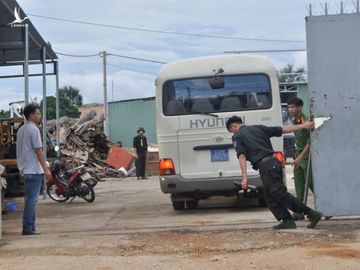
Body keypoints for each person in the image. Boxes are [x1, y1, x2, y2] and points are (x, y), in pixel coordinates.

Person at [226, 116, 322, 229]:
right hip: (273, 163)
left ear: (233, 127)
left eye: (231, 131)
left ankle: (311, 213)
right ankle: (287, 220)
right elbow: (283, 130)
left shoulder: (237, 136)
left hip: (266, 166)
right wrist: (303, 126)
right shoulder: (259, 128)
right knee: (269, 196)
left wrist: (244, 178)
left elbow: (241, 156)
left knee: (279, 193)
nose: (232, 133)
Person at [16, 103, 52, 235]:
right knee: (32, 201)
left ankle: (29, 227)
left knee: (29, 199)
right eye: (38, 113)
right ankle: (28, 228)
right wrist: (46, 169)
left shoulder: (21, 130)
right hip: (34, 170)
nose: (39, 116)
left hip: (25, 169)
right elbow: (39, 151)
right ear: (31, 115)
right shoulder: (34, 130)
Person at [287, 97, 313, 221]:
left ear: (300, 107)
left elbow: (310, 142)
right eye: (289, 107)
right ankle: (300, 211)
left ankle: (326, 206)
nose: (290, 109)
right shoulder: (295, 120)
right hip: (299, 155)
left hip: (307, 156)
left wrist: (300, 157)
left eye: (293, 107)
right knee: (299, 184)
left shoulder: (306, 120)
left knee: (312, 183)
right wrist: (296, 157)